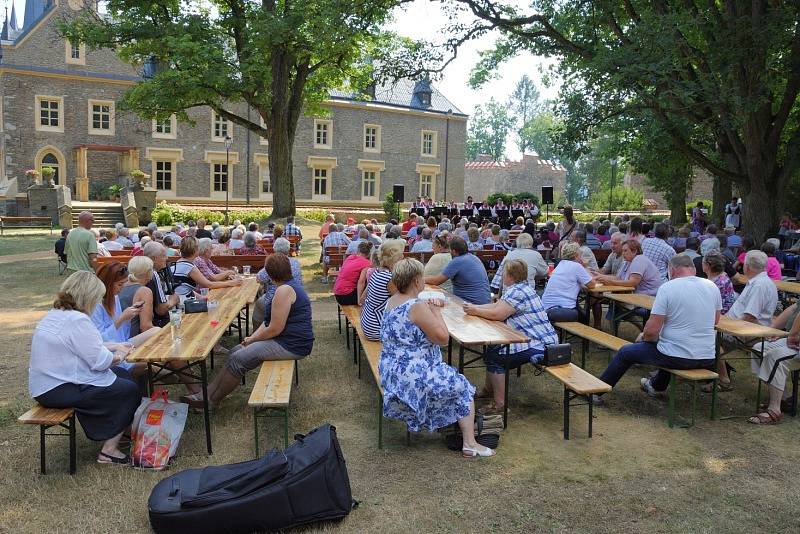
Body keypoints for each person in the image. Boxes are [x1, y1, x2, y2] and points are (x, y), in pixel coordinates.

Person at [378, 259, 494, 458]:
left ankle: (454, 430)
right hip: (411, 373)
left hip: (391, 369)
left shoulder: (393, 300)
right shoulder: (416, 306)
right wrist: (436, 311)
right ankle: (470, 443)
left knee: (449, 379)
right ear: (416, 281)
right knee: (463, 386)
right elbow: (443, 339)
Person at [29, 272, 141, 465]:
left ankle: (119, 430)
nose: (98, 302)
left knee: (122, 375)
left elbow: (85, 345)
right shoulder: (78, 320)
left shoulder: (56, 314)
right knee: (128, 390)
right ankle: (109, 451)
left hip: (45, 386)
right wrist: (121, 354)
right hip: (59, 388)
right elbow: (100, 361)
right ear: (88, 296)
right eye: (97, 298)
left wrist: (115, 346)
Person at [182, 254, 313, 408]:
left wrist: (253, 340)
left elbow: (275, 329)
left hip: (292, 345)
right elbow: (268, 323)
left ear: (270, 274)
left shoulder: (284, 290)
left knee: (239, 360)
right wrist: (252, 337)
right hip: (284, 340)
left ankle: (211, 401)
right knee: (235, 351)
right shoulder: (285, 286)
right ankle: (206, 393)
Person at [593, 255, 719, 403]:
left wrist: (645, 338)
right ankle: (655, 386)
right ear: (694, 269)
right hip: (707, 356)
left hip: (677, 356)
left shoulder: (668, 288)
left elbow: (652, 332)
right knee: (667, 346)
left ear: (671, 270)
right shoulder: (712, 287)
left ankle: (597, 392)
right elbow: (715, 321)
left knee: (626, 352)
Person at [464, 259, 559, 415]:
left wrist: (474, 310)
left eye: (503, 273)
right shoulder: (522, 288)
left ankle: (499, 403)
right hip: (542, 340)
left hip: (540, 345)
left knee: (495, 356)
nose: (501, 276)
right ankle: (488, 390)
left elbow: (497, 313)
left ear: (509, 275)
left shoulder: (517, 291)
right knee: (492, 348)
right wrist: (474, 307)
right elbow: (496, 306)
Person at [714, 250, 779, 390]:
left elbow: (749, 317)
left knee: (708, 338)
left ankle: (723, 379)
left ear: (747, 267)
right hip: (742, 327)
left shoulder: (759, 285)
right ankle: (718, 373)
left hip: (747, 331)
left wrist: (728, 326)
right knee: (707, 336)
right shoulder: (759, 282)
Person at [748, 304, 800, 425]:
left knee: (775, 357)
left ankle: (774, 410)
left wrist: (792, 334)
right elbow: (794, 308)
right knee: (759, 349)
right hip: (795, 336)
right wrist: (772, 330)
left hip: (795, 338)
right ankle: (785, 399)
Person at [360, 239, 405, 341]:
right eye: (400, 257)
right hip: (377, 328)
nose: (402, 258)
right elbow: (402, 302)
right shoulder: (389, 278)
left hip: (368, 323)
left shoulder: (377, 271)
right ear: (393, 259)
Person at [426, 236, 491, 304]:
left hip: (470, 303)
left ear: (454, 251)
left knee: (434, 303)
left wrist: (421, 279)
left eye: (450, 250)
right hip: (485, 302)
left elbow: (437, 281)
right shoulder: (474, 258)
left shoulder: (457, 261)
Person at [169, 237, 242, 297]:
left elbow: (183, 289)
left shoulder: (178, 263)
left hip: (179, 298)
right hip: (185, 302)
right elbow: (209, 284)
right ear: (195, 250)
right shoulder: (190, 267)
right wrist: (231, 283)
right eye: (198, 247)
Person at [541, 243, 595, 322]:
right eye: (580, 255)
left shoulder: (560, 264)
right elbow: (592, 284)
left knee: (580, 313)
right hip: (561, 310)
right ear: (576, 256)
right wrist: (585, 266)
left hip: (545, 307)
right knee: (579, 315)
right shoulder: (576, 266)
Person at [595, 239, 662, 296]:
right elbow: (618, 277)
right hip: (637, 295)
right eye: (622, 251)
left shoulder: (639, 260)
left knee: (614, 298)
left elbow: (632, 282)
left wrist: (611, 282)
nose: (623, 253)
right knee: (613, 297)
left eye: (625, 251)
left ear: (635, 251)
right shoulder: (628, 261)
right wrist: (600, 276)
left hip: (648, 298)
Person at [142, 242, 180, 327]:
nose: (166, 258)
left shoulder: (139, 271)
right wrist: (173, 300)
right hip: (155, 325)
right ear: (154, 258)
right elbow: (161, 309)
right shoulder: (153, 274)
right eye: (163, 255)